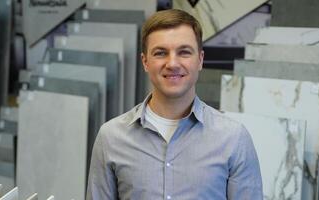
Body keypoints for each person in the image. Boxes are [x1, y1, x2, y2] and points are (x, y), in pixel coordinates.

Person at [86, 9, 263, 200]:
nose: (172, 63)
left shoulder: (234, 139)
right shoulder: (110, 138)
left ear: (200, 60)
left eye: (184, 52)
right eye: (160, 53)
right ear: (145, 62)